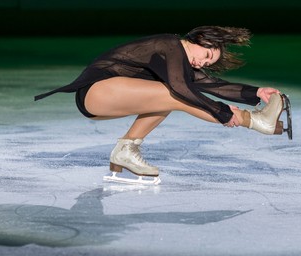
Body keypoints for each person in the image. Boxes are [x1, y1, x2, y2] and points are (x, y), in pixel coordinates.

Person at [35, 26, 287, 181]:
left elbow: (212, 85)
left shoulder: (181, 60)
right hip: (95, 92)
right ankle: (255, 121)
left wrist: (257, 92)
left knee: (168, 97)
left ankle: (126, 150)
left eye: (208, 63)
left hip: (108, 98)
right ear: (200, 38)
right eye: (207, 55)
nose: (203, 63)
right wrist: (223, 113)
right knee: (175, 94)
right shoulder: (169, 45)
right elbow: (181, 89)